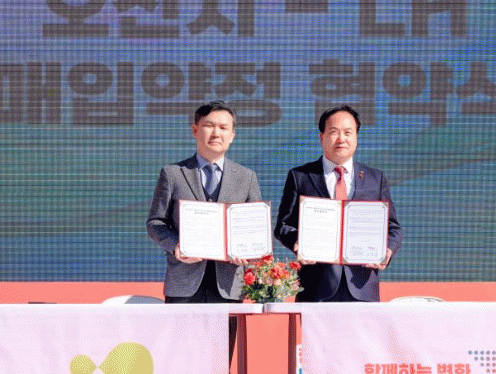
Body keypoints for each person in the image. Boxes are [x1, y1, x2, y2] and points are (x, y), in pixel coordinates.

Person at [146, 101, 262, 353]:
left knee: (221, 359)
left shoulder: (246, 177)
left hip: (228, 285)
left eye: (223, 127)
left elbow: (254, 227)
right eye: (209, 125)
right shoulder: (173, 173)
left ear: (232, 135)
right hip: (184, 284)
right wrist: (176, 246)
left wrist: (248, 250)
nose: (216, 133)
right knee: (180, 357)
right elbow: (155, 223)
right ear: (195, 130)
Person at [274, 105, 403, 302]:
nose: (341, 139)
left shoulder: (375, 178)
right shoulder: (301, 176)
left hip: (362, 288)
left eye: (348, 133)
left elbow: (393, 228)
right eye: (334, 132)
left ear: (356, 137)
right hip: (316, 287)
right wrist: (299, 243)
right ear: (321, 137)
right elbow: (283, 225)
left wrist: (387, 249)